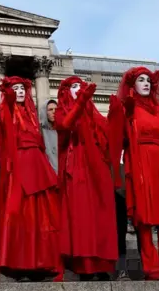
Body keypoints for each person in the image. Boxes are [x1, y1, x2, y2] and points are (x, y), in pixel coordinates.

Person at [108, 67, 159, 280]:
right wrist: (125, 116)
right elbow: (118, 138)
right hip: (141, 161)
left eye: (148, 81)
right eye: (141, 80)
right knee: (146, 216)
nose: (146, 83)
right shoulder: (127, 108)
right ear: (132, 85)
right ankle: (152, 267)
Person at [0, 76, 61, 281]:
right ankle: (21, 264)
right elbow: (0, 130)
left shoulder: (31, 114)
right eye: (16, 88)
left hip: (37, 164)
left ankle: (41, 263)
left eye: (23, 88)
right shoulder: (5, 112)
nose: (20, 91)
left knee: (41, 216)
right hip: (20, 166)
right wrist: (8, 97)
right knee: (21, 216)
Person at [54, 76, 117, 280]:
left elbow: (108, 133)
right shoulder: (63, 109)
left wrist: (117, 113)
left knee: (100, 215)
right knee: (82, 217)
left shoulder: (93, 112)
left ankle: (100, 264)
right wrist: (81, 101)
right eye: (73, 86)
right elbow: (65, 125)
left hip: (95, 167)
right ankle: (84, 266)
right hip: (77, 166)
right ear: (65, 91)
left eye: (80, 86)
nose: (78, 89)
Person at [40, 100, 59, 173]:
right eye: (50, 109)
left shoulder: (63, 131)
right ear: (45, 112)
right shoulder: (39, 131)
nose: (54, 112)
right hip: (47, 173)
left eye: (56, 109)